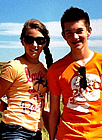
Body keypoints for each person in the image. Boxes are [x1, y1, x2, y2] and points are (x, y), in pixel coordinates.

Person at [0, 19, 53, 140]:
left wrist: (53, 135)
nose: (34, 45)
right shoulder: (14, 67)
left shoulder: (44, 71)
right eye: (29, 40)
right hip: (14, 131)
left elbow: (44, 109)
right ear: (22, 41)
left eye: (39, 40)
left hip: (36, 133)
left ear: (44, 43)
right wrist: (14, 111)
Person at [47, 7, 102, 140]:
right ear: (64, 35)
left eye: (79, 31)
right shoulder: (56, 69)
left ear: (89, 31)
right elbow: (54, 111)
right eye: (69, 32)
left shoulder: (100, 63)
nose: (75, 37)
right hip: (66, 136)